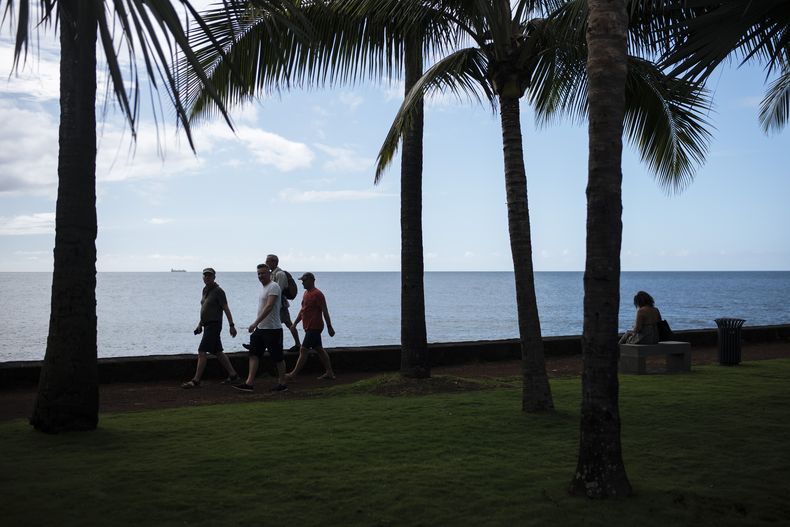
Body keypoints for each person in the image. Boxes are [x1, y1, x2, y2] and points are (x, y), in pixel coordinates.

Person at [181, 268, 241, 388]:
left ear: (214, 277)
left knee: (202, 351)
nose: (207, 277)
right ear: (203, 277)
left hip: (214, 325)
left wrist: (231, 325)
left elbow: (226, 308)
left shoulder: (219, 291)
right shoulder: (205, 290)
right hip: (207, 325)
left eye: (209, 276)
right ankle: (233, 375)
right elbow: (205, 309)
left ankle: (196, 380)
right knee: (218, 352)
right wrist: (200, 324)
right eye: (205, 275)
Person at [234, 264, 288, 393]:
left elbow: (269, 307)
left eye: (263, 273)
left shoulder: (273, 286)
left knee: (278, 357)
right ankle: (249, 383)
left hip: (273, 329)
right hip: (261, 329)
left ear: (269, 273)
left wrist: (254, 323)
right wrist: (257, 325)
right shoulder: (264, 288)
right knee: (253, 354)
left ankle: (282, 383)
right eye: (258, 273)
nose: (260, 276)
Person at [286, 272, 336, 380]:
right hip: (308, 326)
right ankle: (330, 372)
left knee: (303, 349)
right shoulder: (306, 294)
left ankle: (293, 374)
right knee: (319, 349)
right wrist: (295, 323)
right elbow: (303, 310)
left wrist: (329, 326)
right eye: (302, 281)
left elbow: (325, 311)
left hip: (315, 327)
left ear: (311, 280)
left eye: (304, 280)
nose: (302, 283)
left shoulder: (318, 294)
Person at [265, 254, 301, 352]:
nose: (266, 263)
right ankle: (297, 344)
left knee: (286, 323)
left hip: (280, 306)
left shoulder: (279, 274)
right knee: (282, 323)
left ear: (275, 262)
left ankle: (297, 344)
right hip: (277, 305)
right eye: (266, 261)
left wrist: (271, 305)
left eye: (268, 261)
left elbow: (278, 291)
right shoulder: (273, 273)